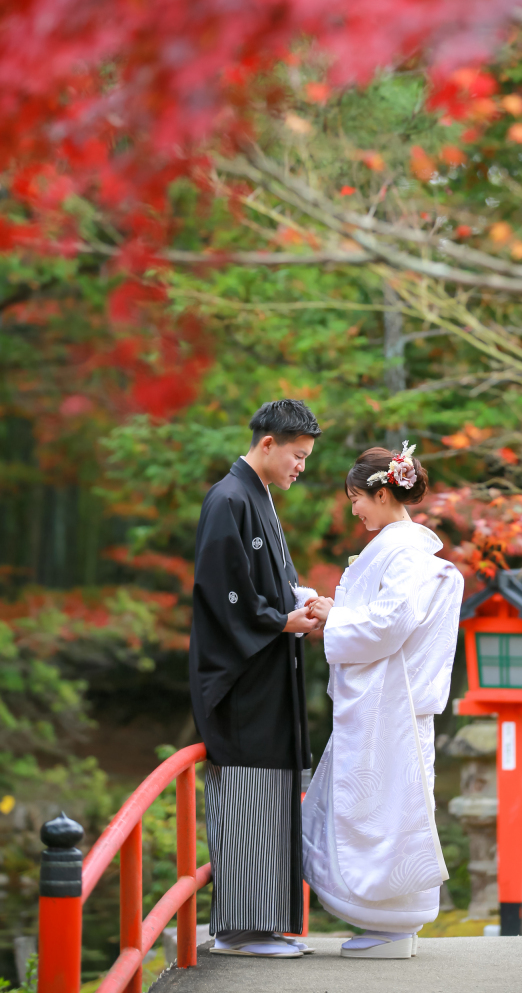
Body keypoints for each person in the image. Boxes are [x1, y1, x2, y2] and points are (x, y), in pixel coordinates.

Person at [302, 441, 464, 959]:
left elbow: (391, 623)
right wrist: (334, 610)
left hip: (389, 704)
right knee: (382, 805)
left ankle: (392, 923)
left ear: (381, 491)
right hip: (388, 702)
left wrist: (333, 617)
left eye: (356, 498)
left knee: (387, 807)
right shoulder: (404, 549)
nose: (354, 509)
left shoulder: (405, 551)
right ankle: (388, 923)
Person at [189, 398, 322, 958]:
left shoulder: (256, 495)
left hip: (265, 677)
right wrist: (279, 619)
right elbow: (226, 592)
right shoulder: (230, 498)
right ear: (267, 443)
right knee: (247, 795)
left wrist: (299, 599)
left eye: (307, 457)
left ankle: (262, 926)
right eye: (297, 455)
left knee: (269, 797)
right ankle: (242, 931)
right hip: (241, 683)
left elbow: (262, 582)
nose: (301, 467)